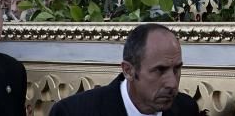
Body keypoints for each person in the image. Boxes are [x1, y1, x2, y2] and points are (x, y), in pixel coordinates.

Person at [49, 23, 198, 115]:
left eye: (176, 69)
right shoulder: (73, 112)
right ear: (128, 71)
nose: (172, 83)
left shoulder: (186, 108)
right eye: (160, 70)